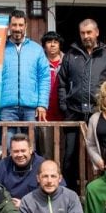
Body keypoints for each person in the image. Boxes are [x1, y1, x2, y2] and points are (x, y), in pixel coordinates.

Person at [57, 19, 106, 191]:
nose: (86, 36)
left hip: (99, 112)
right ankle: (70, 193)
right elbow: (61, 83)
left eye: (89, 32)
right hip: (73, 113)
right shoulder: (71, 55)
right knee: (70, 156)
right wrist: (64, 105)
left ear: (97, 32)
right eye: (83, 33)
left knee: (104, 154)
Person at [0, 9, 51, 143]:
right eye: (14, 25)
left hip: (31, 107)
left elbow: (44, 77)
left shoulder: (36, 49)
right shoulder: (0, 48)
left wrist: (42, 104)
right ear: (9, 26)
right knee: (8, 147)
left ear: (26, 26)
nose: (17, 28)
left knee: (29, 147)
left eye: (20, 25)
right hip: (6, 107)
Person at [0, 133, 64, 208]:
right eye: (16, 151)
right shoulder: (2, 166)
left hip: (38, 210)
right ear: (11, 152)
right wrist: (7, 203)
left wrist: (25, 204)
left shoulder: (43, 165)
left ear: (30, 150)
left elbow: (60, 192)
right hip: (9, 209)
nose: (20, 155)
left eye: (23, 151)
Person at [36, 31, 64, 159]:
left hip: (63, 113)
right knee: (45, 148)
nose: (52, 45)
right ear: (44, 45)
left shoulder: (68, 62)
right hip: (45, 113)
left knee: (63, 149)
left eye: (55, 42)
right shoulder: (39, 63)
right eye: (49, 42)